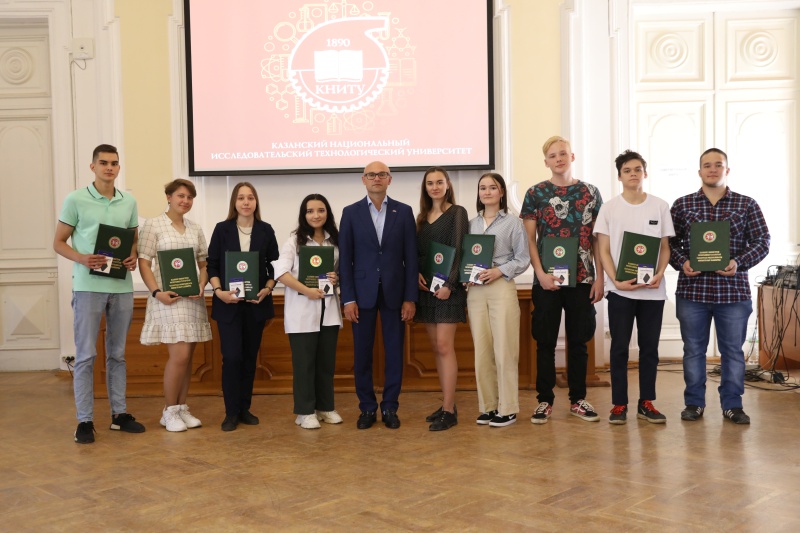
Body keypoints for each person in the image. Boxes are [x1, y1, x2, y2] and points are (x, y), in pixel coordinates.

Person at [669, 148, 770, 425]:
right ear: (699, 171)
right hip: (693, 292)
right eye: (707, 165)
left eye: (718, 165)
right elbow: (669, 243)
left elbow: (762, 241)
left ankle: (733, 405)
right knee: (693, 351)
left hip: (733, 292)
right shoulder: (682, 205)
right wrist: (682, 262)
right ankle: (694, 403)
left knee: (733, 352)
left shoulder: (746, 204)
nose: (712, 169)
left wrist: (739, 262)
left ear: (727, 170)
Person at [54, 144, 146, 444]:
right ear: (92, 166)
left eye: (114, 163)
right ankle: (84, 421)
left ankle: (119, 415)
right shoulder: (75, 199)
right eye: (104, 162)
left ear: (119, 167)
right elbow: (58, 242)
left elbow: (132, 241)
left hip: (121, 286)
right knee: (86, 355)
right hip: (88, 287)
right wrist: (82, 258)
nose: (109, 168)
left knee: (117, 354)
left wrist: (132, 257)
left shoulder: (128, 201)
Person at [521, 136, 604, 424]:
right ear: (546, 161)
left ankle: (578, 399)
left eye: (563, 154)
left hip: (582, 278)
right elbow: (530, 240)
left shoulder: (590, 192)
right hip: (547, 280)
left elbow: (597, 239)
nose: (559, 158)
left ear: (572, 156)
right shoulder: (536, 193)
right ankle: (544, 400)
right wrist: (540, 274)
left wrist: (599, 278)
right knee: (544, 341)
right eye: (553, 155)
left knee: (579, 341)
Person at [593, 150, 674, 424]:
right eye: (627, 170)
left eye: (638, 169)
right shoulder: (609, 208)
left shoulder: (660, 206)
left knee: (650, 349)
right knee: (619, 348)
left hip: (653, 291)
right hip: (620, 291)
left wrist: (659, 274)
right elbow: (603, 250)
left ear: (645, 173)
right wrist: (614, 280)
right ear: (619, 176)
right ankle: (619, 404)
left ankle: (646, 402)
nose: (633, 174)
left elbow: (665, 247)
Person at [339, 161, 418, 430]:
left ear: (389, 179)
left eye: (382, 174)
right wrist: (348, 299)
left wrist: (410, 297)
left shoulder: (403, 212)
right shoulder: (350, 213)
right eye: (371, 175)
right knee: (362, 354)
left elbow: (411, 258)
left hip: (395, 294)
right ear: (363, 179)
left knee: (395, 353)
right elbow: (346, 260)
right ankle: (367, 408)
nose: (376, 179)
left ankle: (390, 406)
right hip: (362, 295)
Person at [138, 179, 213, 432]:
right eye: (181, 196)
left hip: (192, 300)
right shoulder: (153, 225)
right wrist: (156, 292)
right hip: (167, 300)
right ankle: (169, 411)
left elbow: (204, 264)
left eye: (190, 197)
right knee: (179, 356)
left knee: (187, 358)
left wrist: (201, 284)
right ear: (168, 197)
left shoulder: (195, 228)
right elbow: (144, 262)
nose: (185, 201)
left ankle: (181, 407)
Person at [207, 182, 279, 432]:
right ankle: (230, 412)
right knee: (232, 357)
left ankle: (244, 408)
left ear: (256, 202)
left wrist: (268, 288)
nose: (246, 202)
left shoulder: (265, 230)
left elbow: (274, 266)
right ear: (234, 202)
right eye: (241, 198)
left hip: (256, 304)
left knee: (249, 359)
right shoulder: (222, 229)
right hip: (228, 304)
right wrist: (219, 292)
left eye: (250, 197)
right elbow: (212, 264)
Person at [273, 194, 343, 430]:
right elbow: (281, 273)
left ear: (327, 213)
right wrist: (307, 291)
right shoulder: (294, 241)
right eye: (310, 211)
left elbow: (341, 272)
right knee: (304, 364)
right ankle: (304, 412)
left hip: (329, 311)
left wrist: (337, 278)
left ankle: (325, 407)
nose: (316, 215)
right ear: (304, 215)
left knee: (326, 363)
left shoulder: (336, 241)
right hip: (302, 312)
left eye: (321, 210)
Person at [468, 173, 530, 427]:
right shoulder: (471, 224)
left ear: (501, 192)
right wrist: (465, 275)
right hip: (475, 291)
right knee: (482, 351)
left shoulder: (513, 223)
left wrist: (499, 271)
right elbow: (466, 256)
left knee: (504, 349)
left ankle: (508, 408)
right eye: (482, 188)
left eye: (492, 187)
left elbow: (523, 258)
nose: (487, 192)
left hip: (501, 286)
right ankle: (489, 406)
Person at [415, 167, 469, 431]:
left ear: (447, 184)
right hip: (426, 291)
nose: (435, 187)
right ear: (425, 188)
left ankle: (449, 410)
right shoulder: (421, 218)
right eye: (430, 183)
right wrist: (415, 274)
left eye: (439, 182)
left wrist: (450, 284)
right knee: (437, 347)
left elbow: (460, 250)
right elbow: (417, 253)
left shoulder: (457, 213)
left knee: (445, 346)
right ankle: (447, 404)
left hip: (449, 291)